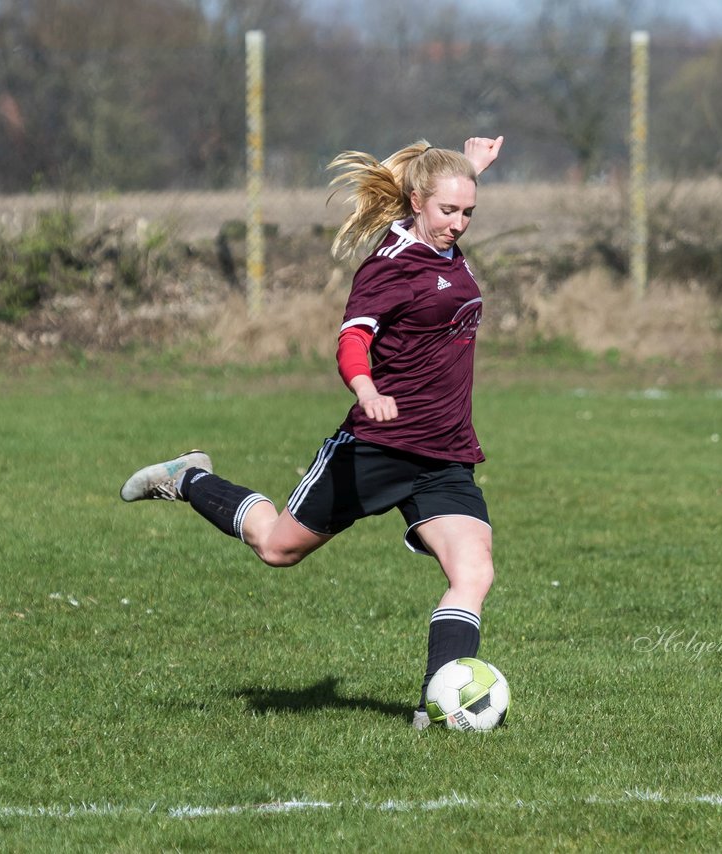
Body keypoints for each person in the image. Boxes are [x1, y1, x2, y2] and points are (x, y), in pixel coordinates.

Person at [120, 135, 505, 730]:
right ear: (416, 202)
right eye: (448, 210)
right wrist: (366, 388)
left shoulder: (446, 244)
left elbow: (448, 192)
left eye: (468, 212)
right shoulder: (391, 264)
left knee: (473, 572)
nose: (459, 224)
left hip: (446, 454)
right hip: (377, 448)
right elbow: (353, 339)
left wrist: (468, 169)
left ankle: (441, 702)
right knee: (277, 547)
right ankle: (189, 478)